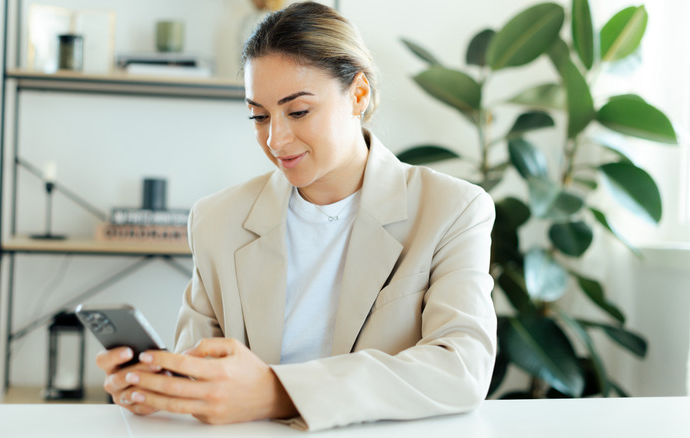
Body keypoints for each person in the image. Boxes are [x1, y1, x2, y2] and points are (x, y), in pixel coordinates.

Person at [96, 1, 496, 431]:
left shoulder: (452, 209)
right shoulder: (217, 220)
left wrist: (279, 391)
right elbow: (202, 372)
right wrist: (162, 389)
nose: (276, 138)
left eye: (299, 111)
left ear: (358, 94)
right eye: (259, 115)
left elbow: (463, 367)